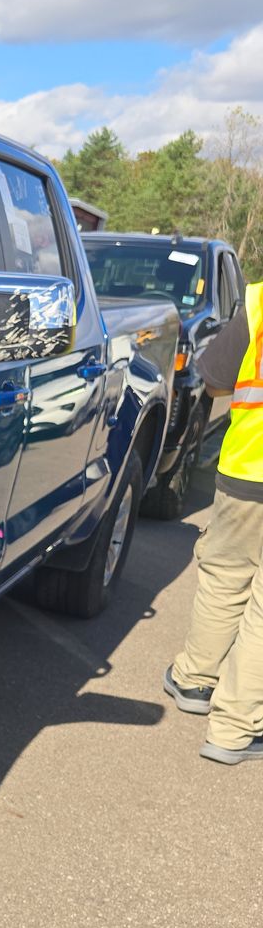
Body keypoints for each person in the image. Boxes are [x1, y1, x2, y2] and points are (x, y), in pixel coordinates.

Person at [164, 279, 263, 764]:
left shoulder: (261, 300)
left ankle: (194, 681)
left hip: (247, 469)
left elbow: (217, 382)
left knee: (225, 579)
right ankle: (234, 729)